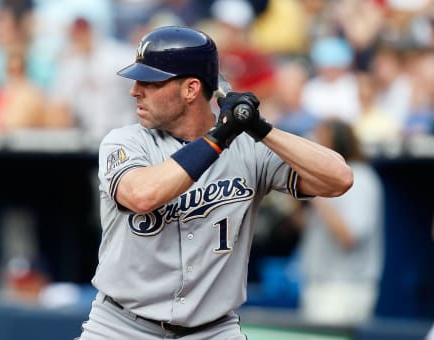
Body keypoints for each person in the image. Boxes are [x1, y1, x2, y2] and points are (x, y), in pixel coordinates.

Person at [77, 26, 353, 340]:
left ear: (191, 89)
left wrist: (260, 128)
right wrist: (218, 137)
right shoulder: (124, 141)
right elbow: (142, 195)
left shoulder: (249, 148)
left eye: (150, 82)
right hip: (121, 327)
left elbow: (338, 178)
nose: (135, 90)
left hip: (213, 330)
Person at [297, 118, 384, 325]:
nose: (314, 145)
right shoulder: (325, 181)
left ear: (338, 143)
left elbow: (349, 236)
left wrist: (315, 194)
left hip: (345, 288)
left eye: (321, 139)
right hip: (319, 283)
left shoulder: (360, 178)